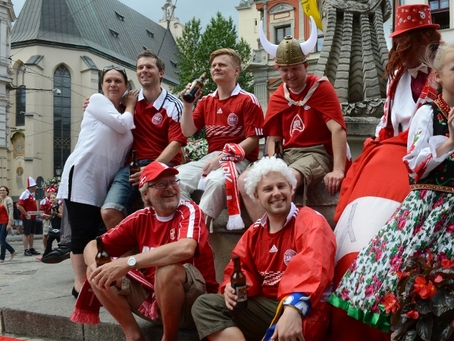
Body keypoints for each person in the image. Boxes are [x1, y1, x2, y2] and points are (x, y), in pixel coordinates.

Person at [325, 5, 454, 341]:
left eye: (420, 39)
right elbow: (388, 125)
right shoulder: (397, 78)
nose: (415, 47)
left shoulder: (447, 81)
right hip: (398, 153)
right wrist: (379, 143)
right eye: (408, 41)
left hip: (429, 168)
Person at [192, 157, 335, 341]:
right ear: (256, 196)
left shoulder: (310, 221)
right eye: (268, 189)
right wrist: (231, 289)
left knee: (298, 328)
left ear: (291, 189)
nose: (276, 193)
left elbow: (315, 267)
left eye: (281, 186)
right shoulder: (254, 232)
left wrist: (294, 309)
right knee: (205, 305)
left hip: (303, 309)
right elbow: (238, 268)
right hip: (267, 309)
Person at [84, 161, 217, 341]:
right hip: (155, 300)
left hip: (194, 305)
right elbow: (93, 246)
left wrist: (129, 262)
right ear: (145, 194)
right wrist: (95, 263)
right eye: (160, 184)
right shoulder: (141, 217)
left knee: (167, 269)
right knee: (96, 271)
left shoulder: (189, 210)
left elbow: (185, 248)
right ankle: (137, 340)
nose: (170, 188)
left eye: (173, 182)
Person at [239, 17, 348, 223]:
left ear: (305, 65)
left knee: (284, 180)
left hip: (316, 153)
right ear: (277, 68)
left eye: (295, 68)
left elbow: (337, 130)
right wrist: (273, 162)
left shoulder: (321, 88)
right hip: (288, 154)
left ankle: (286, 235)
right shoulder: (280, 95)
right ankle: (266, 236)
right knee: (245, 181)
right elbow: (274, 138)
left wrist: (338, 170)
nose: (290, 75)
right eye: (285, 69)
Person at [57, 65, 137, 297]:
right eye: (108, 81)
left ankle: (94, 280)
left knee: (94, 233)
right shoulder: (96, 100)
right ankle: (79, 284)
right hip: (82, 174)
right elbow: (123, 125)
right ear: (101, 85)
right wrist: (130, 106)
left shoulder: (122, 112)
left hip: (102, 180)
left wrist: (128, 108)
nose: (112, 84)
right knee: (82, 233)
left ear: (125, 87)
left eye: (118, 81)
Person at [177, 48, 264, 231]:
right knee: (173, 180)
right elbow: (187, 131)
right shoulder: (206, 101)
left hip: (240, 159)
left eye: (222, 65)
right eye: (214, 65)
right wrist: (187, 106)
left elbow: (253, 140)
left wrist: (224, 157)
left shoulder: (248, 100)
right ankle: (189, 222)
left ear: (236, 71)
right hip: (211, 157)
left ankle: (196, 233)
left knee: (216, 182)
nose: (216, 68)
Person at [100, 50, 188, 230]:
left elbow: (176, 143)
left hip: (163, 165)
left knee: (160, 213)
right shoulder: (129, 100)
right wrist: (93, 104)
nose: (144, 71)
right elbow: (109, 111)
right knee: (109, 211)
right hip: (131, 167)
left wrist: (150, 169)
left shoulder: (173, 104)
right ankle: (126, 256)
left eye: (149, 67)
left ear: (161, 73)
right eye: (140, 68)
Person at [16, 177, 40, 257]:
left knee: (32, 233)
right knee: (26, 233)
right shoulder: (25, 194)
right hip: (27, 217)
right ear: (31, 187)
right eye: (34, 186)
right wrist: (26, 214)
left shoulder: (31, 195)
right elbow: (19, 205)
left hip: (33, 217)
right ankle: (26, 249)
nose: (36, 188)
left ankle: (31, 248)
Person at [0, 186, 16, 263]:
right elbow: (2, 211)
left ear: (7, 192)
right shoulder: (1, 200)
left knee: (2, 239)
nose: (2, 191)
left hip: (6, 221)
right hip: (1, 221)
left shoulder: (8, 199)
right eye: (1, 190)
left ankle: (1, 258)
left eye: (4, 190)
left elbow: (10, 212)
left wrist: (10, 223)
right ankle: (12, 251)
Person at [41, 193, 62, 258]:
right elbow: (52, 217)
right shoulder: (51, 207)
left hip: (58, 226)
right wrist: (45, 216)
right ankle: (47, 253)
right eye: (51, 198)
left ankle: (47, 254)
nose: (52, 199)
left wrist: (56, 213)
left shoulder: (59, 206)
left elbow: (62, 215)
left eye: (53, 198)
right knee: (50, 241)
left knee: (56, 240)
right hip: (53, 226)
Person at [39, 186, 56, 256]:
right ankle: (46, 248)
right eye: (49, 192)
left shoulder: (56, 201)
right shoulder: (44, 201)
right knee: (45, 234)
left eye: (52, 193)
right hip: (46, 220)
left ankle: (50, 248)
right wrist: (48, 216)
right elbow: (42, 212)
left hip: (54, 220)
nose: (51, 194)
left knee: (54, 234)